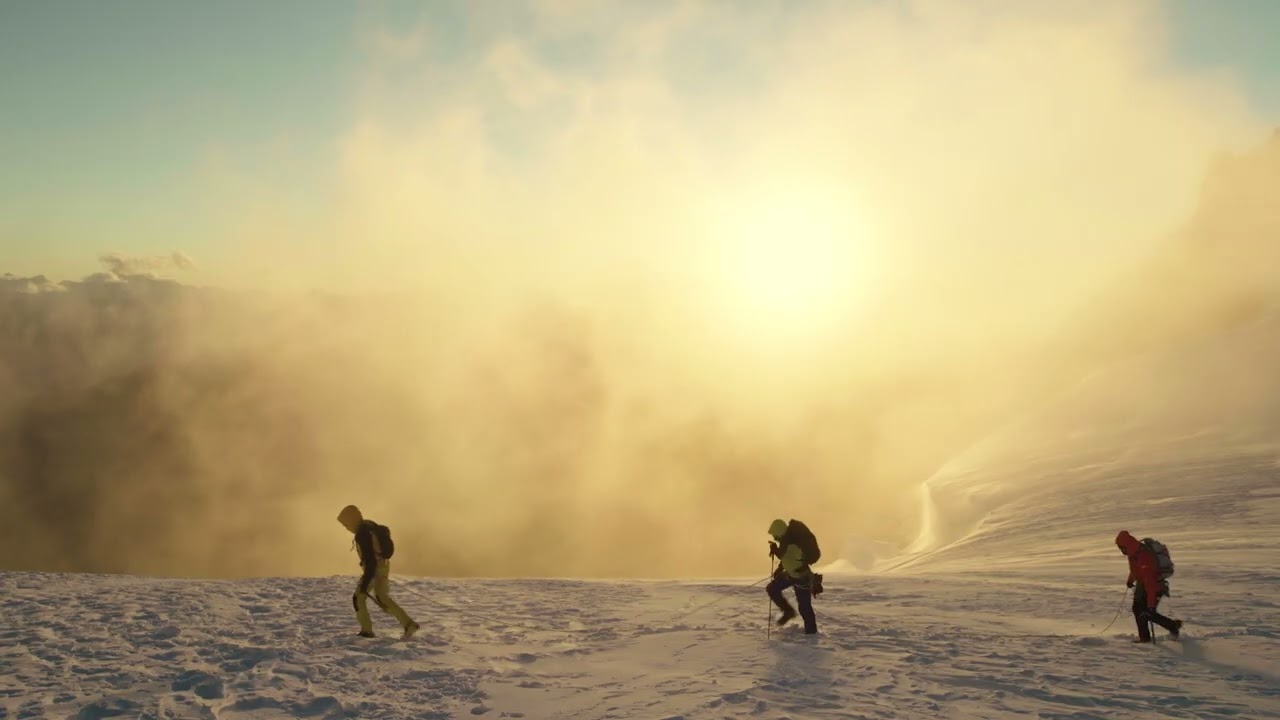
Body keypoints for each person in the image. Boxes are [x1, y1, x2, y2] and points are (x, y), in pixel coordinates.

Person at [338, 505, 419, 640]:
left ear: (352, 519)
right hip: (383, 565)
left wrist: (365, 582)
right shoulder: (370, 526)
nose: (346, 527)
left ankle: (366, 630)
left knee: (358, 597)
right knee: (382, 597)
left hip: (374, 568)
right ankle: (408, 624)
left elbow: (370, 559)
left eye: (346, 524)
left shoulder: (362, 533)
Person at [1115, 530, 1182, 643]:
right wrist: (1130, 580)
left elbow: (1151, 584)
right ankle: (1145, 637)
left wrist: (1151, 605)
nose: (1122, 552)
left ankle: (1172, 626)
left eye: (1122, 548)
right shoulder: (1134, 554)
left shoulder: (1144, 557)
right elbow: (1136, 570)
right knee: (1138, 610)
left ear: (1127, 545)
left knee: (1147, 612)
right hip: (1143, 585)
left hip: (1155, 586)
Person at [766, 518, 823, 635]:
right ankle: (788, 612)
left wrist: (776, 552)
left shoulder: (790, 543)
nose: (775, 538)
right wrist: (780, 568)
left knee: (804, 607)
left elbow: (789, 555)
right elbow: (788, 557)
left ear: (779, 531)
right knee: (772, 589)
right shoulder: (786, 541)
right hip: (792, 575)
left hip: (801, 577)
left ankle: (811, 633)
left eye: (775, 535)